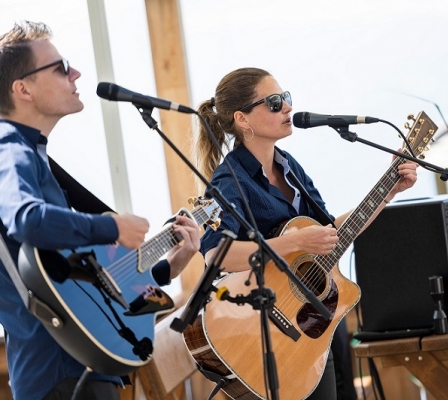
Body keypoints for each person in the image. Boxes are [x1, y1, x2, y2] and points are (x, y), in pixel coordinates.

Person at [0, 21, 201, 400]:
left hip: (78, 367)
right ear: (22, 88)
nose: (75, 73)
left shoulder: (34, 157)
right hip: (59, 374)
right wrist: (112, 228)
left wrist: (168, 266)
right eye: (61, 67)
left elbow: (81, 278)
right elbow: (26, 219)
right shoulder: (10, 149)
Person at [194, 67, 419, 399]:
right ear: (242, 119)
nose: (287, 107)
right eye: (273, 102)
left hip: (308, 325)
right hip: (263, 334)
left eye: (285, 98)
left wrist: (388, 191)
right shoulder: (230, 182)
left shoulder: (289, 167)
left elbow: (330, 234)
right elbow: (217, 254)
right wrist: (294, 241)